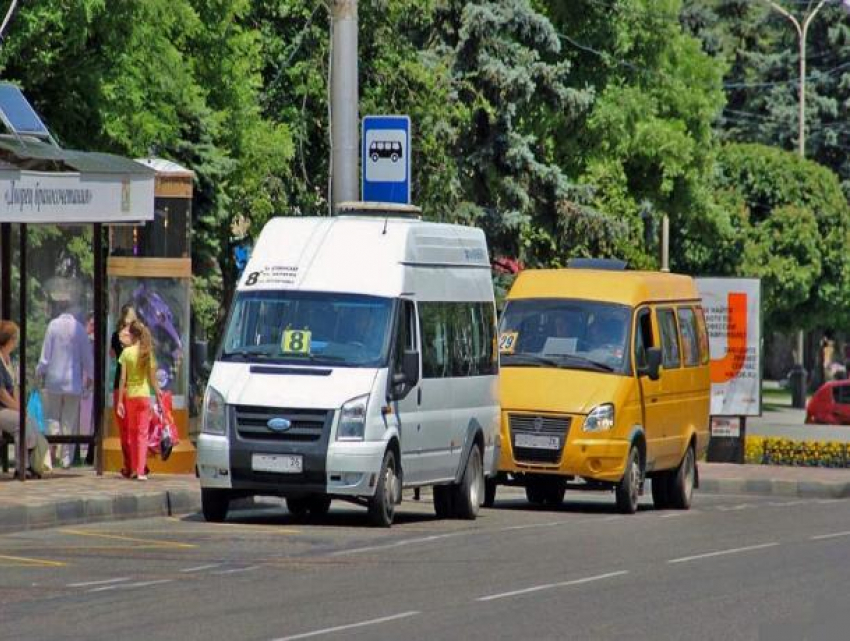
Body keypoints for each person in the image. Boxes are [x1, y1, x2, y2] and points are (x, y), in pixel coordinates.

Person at [37, 298, 93, 469]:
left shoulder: (52, 326)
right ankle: (66, 457)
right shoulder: (80, 330)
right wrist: (90, 377)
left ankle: (52, 447)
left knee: (53, 416)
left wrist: (40, 371)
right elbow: (87, 358)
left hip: (54, 379)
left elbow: (45, 355)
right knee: (69, 419)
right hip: (73, 381)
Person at [116, 320, 162, 481]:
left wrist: (120, 401)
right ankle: (141, 470)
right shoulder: (146, 352)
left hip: (130, 396)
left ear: (133, 335)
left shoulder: (126, 353)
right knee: (142, 434)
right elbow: (153, 380)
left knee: (132, 434)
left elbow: (122, 379)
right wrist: (159, 398)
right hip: (143, 396)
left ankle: (134, 469)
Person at [0, 321, 39, 476]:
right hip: (1, 408)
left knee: (30, 421)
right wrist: (18, 409)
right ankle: (21, 466)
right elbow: (2, 393)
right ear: (8, 340)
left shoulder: (9, 360)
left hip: (8, 407)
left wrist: (20, 407)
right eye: (15, 338)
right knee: (20, 422)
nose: (16, 342)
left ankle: (28, 463)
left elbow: (14, 387)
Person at [110, 305, 137, 477]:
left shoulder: (117, 335)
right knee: (132, 429)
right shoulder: (136, 336)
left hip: (123, 385)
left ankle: (131, 465)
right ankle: (135, 464)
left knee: (126, 429)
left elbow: (112, 355)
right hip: (131, 386)